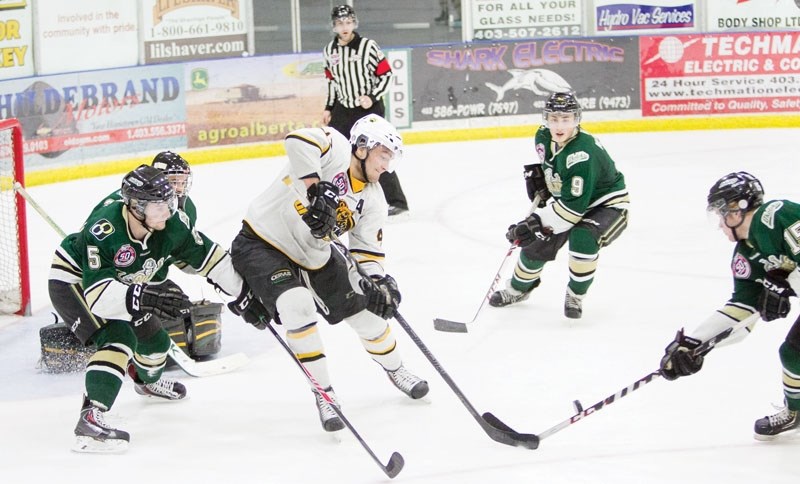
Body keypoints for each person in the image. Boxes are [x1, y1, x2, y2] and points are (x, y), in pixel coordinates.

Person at [230, 114, 428, 432]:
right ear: (363, 147)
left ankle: (397, 369)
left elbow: (366, 253)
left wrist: (379, 282)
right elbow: (295, 139)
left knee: (368, 314)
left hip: (315, 254)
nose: (387, 167)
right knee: (297, 305)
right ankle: (325, 393)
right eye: (384, 156)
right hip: (263, 243)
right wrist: (314, 189)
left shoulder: (374, 199)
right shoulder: (334, 146)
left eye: (391, 160)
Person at [48, 165, 265, 453]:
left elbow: (212, 259)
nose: (168, 211)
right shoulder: (104, 229)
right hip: (75, 283)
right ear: (137, 207)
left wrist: (245, 294)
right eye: (160, 206)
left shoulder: (172, 223)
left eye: (170, 202)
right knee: (119, 337)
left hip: (126, 285)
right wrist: (144, 295)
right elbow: (99, 297)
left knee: (156, 342)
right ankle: (90, 419)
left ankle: (145, 383)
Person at [659, 172, 800, 440]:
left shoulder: (775, 215)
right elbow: (742, 309)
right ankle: (796, 412)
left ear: (737, 209)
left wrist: (784, 281)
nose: (720, 225)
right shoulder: (747, 254)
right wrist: (693, 344)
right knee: (794, 354)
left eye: (720, 213)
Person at [489, 91, 630, 319]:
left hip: (606, 205)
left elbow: (573, 212)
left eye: (566, 119)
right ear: (546, 119)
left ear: (577, 119)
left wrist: (534, 222)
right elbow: (556, 170)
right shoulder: (543, 136)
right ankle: (518, 290)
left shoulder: (582, 153)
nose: (559, 125)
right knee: (537, 243)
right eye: (554, 119)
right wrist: (546, 184)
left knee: (583, 237)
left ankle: (575, 295)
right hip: (571, 201)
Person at [322, 4, 410, 217]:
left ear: (354, 23)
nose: (345, 27)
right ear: (334, 26)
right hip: (343, 109)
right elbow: (332, 83)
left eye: (348, 22)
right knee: (335, 151)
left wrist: (371, 97)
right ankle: (334, 198)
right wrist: (328, 108)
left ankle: (397, 202)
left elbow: (386, 75)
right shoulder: (329, 52)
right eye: (340, 23)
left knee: (376, 154)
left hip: (368, 112)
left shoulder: (368, 47)